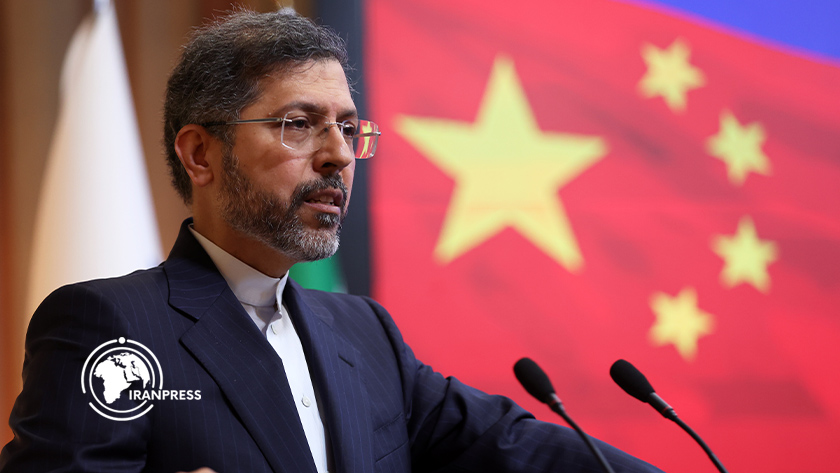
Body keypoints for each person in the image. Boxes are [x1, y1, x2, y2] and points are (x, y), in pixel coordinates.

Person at [0, 9, 664, 473]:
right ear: (201, 154)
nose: (338, 155)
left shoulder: (363, 331)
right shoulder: (109, 325)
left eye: (348, 129)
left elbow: (510, 445)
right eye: (299, 123)